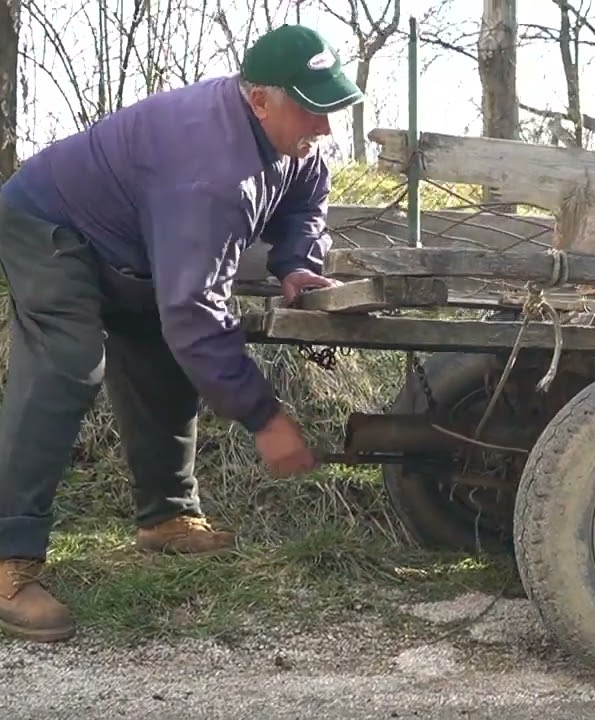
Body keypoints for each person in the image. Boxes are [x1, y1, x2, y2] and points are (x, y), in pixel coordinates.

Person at [0, 24, 363, 642]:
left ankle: (166, 518)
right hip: (48, 222)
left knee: (161, 355)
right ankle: (9, 558)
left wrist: (296, 263)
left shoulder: (295, 142)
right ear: (259, 100)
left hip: (132, 245)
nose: (325, 128)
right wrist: (265, 418)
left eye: (330, 109)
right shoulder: (211, 169)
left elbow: (306, 203)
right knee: (67, 361)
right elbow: (196, 312)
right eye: (311, 111)